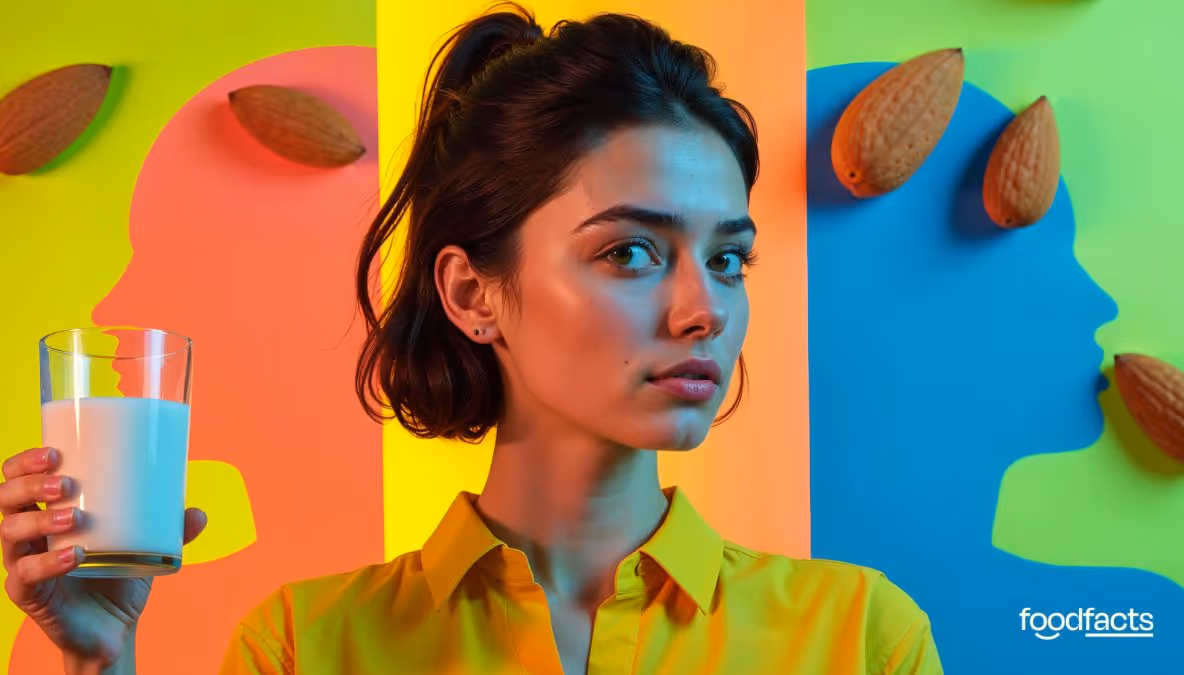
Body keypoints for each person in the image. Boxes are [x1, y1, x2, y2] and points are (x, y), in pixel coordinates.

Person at [0, 5, 942, 674]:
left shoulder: (861, 637)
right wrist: (98, 658)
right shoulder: (303, 644)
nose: (704, 310)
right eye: (631, 251)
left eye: (729, 260)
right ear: (471, 291)